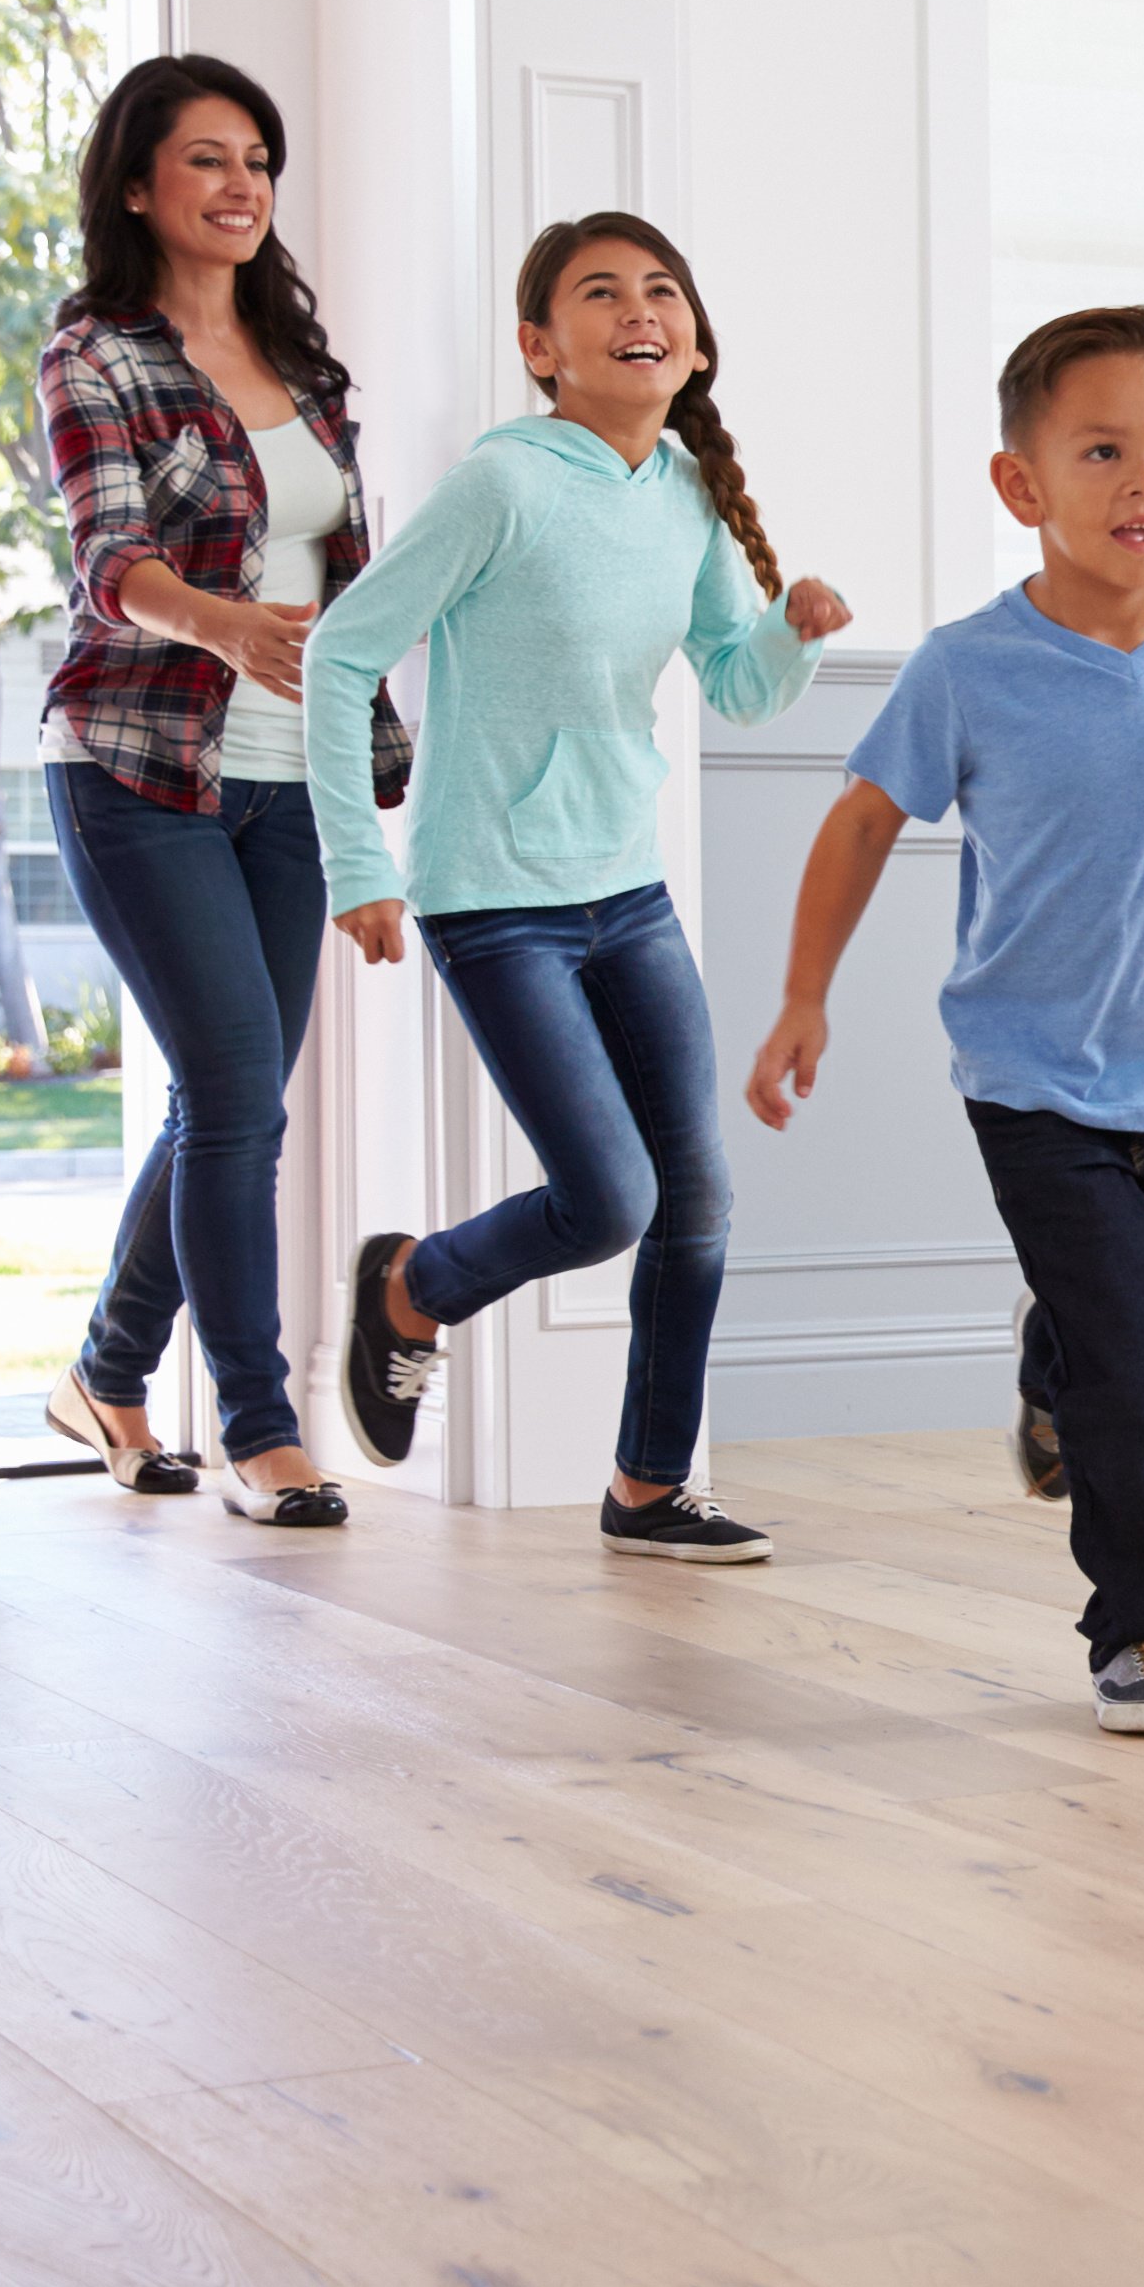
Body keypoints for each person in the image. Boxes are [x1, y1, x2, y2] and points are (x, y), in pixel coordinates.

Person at [741, 304, 1144, 1738]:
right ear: (1021, 487)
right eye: (1104, 450)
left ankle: (1053, 1368)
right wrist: (806, 995)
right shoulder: (966, 667)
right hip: (1034, 1079)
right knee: (1130, 1372)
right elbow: (861, 824)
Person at [308, 214, 848, 1553]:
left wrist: (796, 632)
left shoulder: (684, 494)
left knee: (696, 1200)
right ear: (541, 348)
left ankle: (650, 1486)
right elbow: (338, 653)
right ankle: (412, 1289)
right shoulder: (501, 486)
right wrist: (356, 863)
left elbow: (736, 682)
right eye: (598, 294)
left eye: (660, 289)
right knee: (610, 1199)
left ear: (694, 340)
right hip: (492, 895)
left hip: (626, 886)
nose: (637, 309)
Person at [30, 55, 407, 1528]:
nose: (242, 182)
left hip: (291, 785)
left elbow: (354, 587)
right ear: (138, 187)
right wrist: (226, 624)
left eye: (257, 157)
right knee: (240, 1099)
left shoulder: (308, 375)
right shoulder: (96, 357)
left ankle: (106, 1379)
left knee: (225, 1102)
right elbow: (109, 558)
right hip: (140, 765)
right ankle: (262, 1429)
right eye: (206, 159)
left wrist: (367, 780)